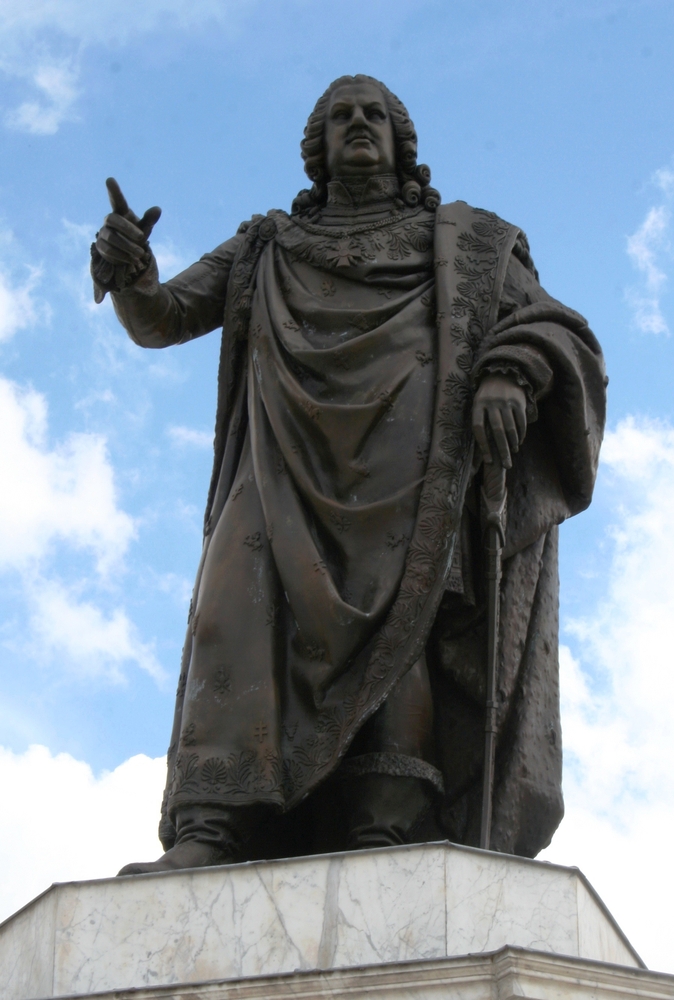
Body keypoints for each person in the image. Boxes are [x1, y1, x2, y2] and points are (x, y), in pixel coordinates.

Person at [91, 75, 606, 875]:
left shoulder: (465, 242)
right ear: (317, 149)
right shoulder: (265, 245)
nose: (357, 124)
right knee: (234, 613)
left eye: (373, 114)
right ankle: (213, 824)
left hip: (413, 478)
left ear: (402, 142)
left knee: (401, 638)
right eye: (340, 117)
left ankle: (388, 827)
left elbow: (556, 327)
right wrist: (129, 274)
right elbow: (161, 318)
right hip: (277, 466)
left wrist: (511, 368)